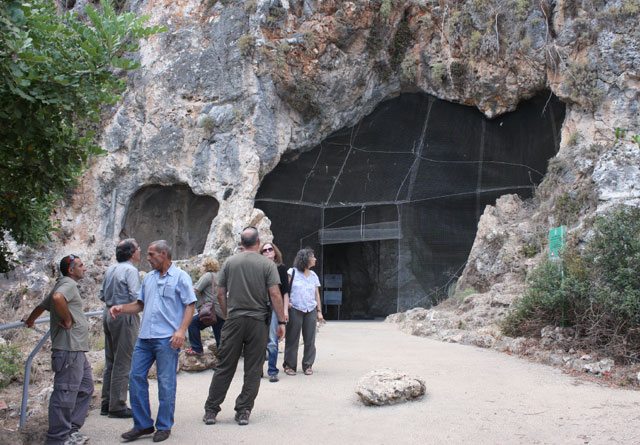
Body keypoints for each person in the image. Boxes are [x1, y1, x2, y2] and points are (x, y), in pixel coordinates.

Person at [110, 240, 196, 443]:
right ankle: (143, 424)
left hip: (167, 339)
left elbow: (190, 305)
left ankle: (164, 426)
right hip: (145, 338)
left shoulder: (180, 277)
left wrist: (182, 331)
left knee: (166, 383)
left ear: (163, 254)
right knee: (135, 377)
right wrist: (122, 308)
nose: (147, 259)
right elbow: (140, 305)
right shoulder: (148, 278)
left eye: (151, 255)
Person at [202, 227, 286, 426]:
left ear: (242, 242)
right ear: (258, 243)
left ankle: (211, 410)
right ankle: (243, 410)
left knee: (224, 366)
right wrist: (281, 321)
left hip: (234, 320)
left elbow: (220, 294)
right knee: (253, 368)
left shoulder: (230, 262)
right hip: (258, 321)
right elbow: (275, 294)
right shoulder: (267, 265)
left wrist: (229, 313)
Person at [23, 255, 93, 445]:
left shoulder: (62, 283)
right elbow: (56, 298)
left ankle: (70, 430)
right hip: (68, 349)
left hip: (76, 349)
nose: (84, 269)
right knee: (65, 393)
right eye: (81, 265)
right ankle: (57, 439)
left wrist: (30, 320)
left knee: (86, 388)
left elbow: (42, 305)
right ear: (71, 270)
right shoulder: (67, 285)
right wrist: (68, 320)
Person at [99, 238, 141, 418]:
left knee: (111, 360)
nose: (140, 250)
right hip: (124, 314)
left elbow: (101, 294)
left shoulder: (110, 269)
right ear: (132, 253)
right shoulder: (131, 270)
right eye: (138, 248)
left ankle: (106, 402)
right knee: (123, 360)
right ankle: (117, 405)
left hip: (108, 312)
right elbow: (136, 296)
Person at [283, 248, 324, 376]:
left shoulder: (313, 275)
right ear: (306, 258)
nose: (315, 259)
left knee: (310, 338)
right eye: (313, 257)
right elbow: (286, 290)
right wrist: (286, 306)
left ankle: (308, 364)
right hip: (295, 307)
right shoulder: (292, 272)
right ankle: (290, 365)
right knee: (292, 337)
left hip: (310, 309)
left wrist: (319, 311)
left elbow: (316, 294)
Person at [260, 241, 289, 383]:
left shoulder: (281, 269)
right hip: (260, 306)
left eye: (270, 249)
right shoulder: (258, 269)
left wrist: (283, 312)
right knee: (258, 340)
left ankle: (272, 370)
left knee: (272, 340)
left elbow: (284, 293)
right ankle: (258, 368)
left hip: (273, 307)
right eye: (264, 250)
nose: (267, 252)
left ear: (275, 251)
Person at [187, 257, 225, 354]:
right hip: (221, 311)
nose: (200, 267)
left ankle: (197, 349)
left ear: (207, 267)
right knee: (219, 337)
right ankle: (223, 359)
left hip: (209, 310)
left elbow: (195, 291)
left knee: (192, 324)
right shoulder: (219, 276)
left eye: (202, 265)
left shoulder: (207, 276)